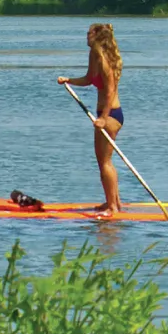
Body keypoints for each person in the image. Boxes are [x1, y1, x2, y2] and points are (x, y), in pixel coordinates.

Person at [59, 22, 127, 212]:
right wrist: (69, 80)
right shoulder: (93, 55)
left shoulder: (104, 59)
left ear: (96, 36)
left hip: (111, 114)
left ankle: (112, 206)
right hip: (102, 113)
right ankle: (114, 202)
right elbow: (89, 79)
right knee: (102, 161)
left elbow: (111, 90)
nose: (85, 36)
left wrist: (104, 118)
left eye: (88, 33)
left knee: (105, 161)